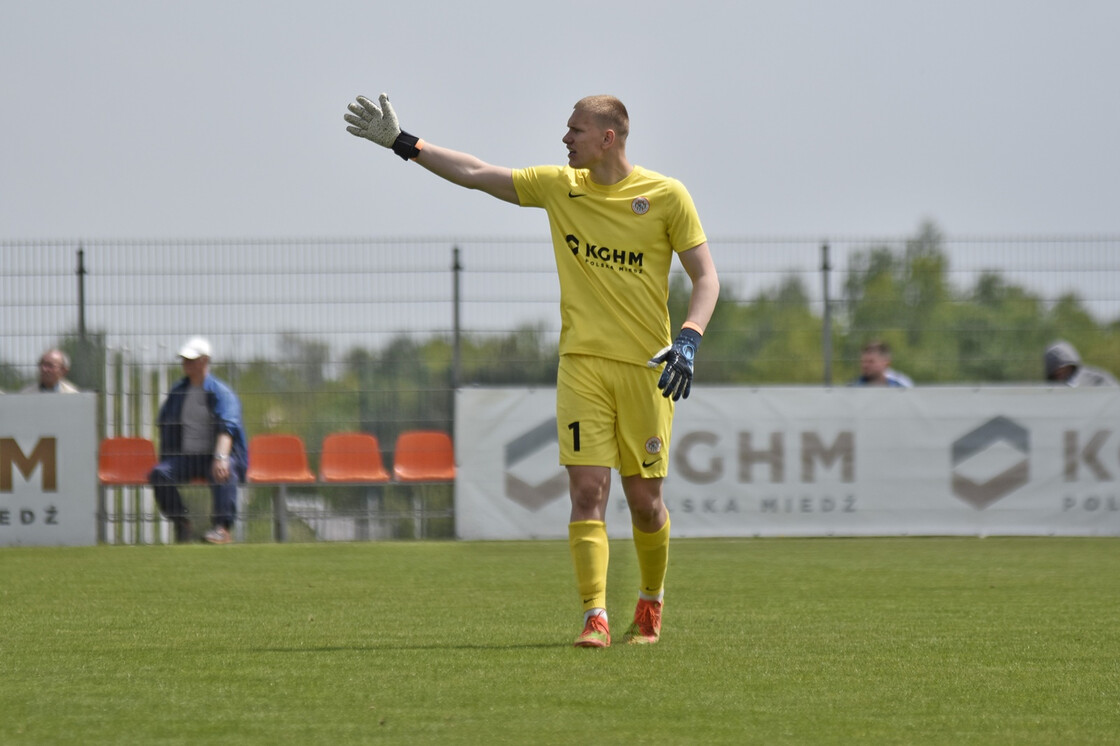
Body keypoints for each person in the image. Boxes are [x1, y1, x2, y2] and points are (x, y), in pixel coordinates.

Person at [346, 92, 719, 647]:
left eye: (575, 131)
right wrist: (405, 143)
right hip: (582, 366)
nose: (565, 139)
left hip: (646, 369)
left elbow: (706, 278)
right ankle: (595, 615)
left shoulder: (667, 196)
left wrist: (688, 338)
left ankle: (649, 601)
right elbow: (476, 173)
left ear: (608, 138)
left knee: (645, 502)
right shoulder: (559, 186)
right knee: (587, 492)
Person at [149, 337, 248, 544]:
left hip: (214, 456)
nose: (185, 363)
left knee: (224, 470)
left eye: (190, 359)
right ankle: (182, 523)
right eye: (184, 359)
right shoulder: (178, 392)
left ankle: (222, 528)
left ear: (204, 361)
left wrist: (220, 457)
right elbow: (165, 424)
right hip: (186, 458)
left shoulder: (221, 392)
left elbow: (227, 427)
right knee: (160, 474)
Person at [1044, 340, 1119, 387]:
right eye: (1057, 374)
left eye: (1065, 370)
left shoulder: (1098, 380)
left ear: (1072, 367)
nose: (1061, 376)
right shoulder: (1050, 390)